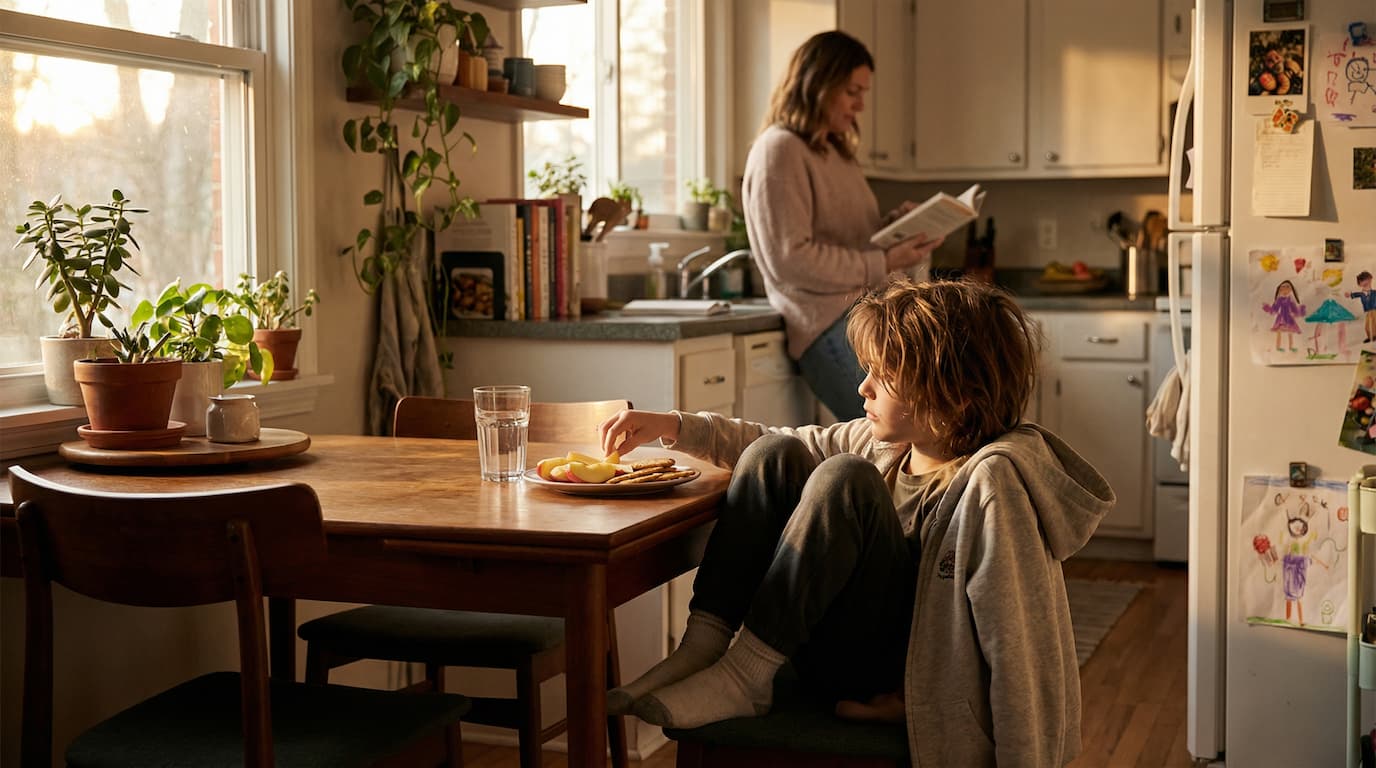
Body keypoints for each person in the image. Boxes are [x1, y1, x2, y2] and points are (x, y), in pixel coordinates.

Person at [598, 277, 1113, 765]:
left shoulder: (992, 484)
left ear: (952, 395)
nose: (863, 387)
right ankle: (704, 649)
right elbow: (764, 441)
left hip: (894, 670)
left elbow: (1019, 641)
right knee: (772, 452)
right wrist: (674, 426)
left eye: (882, 375)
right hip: (824, 651)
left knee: (843, 479)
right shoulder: (883, 443)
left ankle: (743, 677)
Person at [742, 30, 943, 422]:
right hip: (827, 325)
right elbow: (790, 259)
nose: (860, 105)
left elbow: (854, 240)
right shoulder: (779, 150)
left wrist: (897, 229)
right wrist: (883, 260)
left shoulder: (835, 152)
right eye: (853, 91)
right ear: (819, 84)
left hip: (867, 317)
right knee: (899, 439)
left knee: (920, 436)